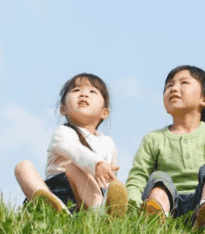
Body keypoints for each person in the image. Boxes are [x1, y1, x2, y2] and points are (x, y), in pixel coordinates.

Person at [126, 65, 205, 228]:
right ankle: (158, 222)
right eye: (169, 86)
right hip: (170, 203)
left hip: (203, 197)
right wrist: (131, 210)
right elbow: (138, 178)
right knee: (158, 179)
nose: (174, 88)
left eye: (184, 83)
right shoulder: (153, 139)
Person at [14, 73, 127, 216]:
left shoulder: (108, 143)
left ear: (104, 112)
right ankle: (53, 208)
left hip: (90, 197)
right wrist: (98, 164)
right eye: (76, 90)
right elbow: (76, 151)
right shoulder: (62, 132)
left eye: (92, 91)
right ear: (63, 109)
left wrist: (110, 178)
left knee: (109, 184)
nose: (84, 94)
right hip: (57, 191)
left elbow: (108, 177)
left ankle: (101, 212)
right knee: (23, 167)